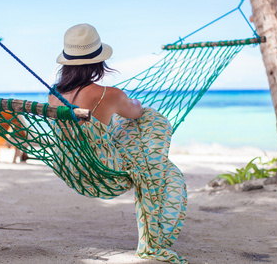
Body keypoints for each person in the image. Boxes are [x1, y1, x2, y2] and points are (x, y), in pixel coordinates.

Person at [49, 24, 187, 264]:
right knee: (154, 125)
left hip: (72, 166)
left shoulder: (53, 94)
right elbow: (136, 112)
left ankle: (154, 166)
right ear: (98, 62)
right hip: (105, 169)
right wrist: (129, 101)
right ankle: (158, 237)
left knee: (115, 130)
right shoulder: (108, 94)